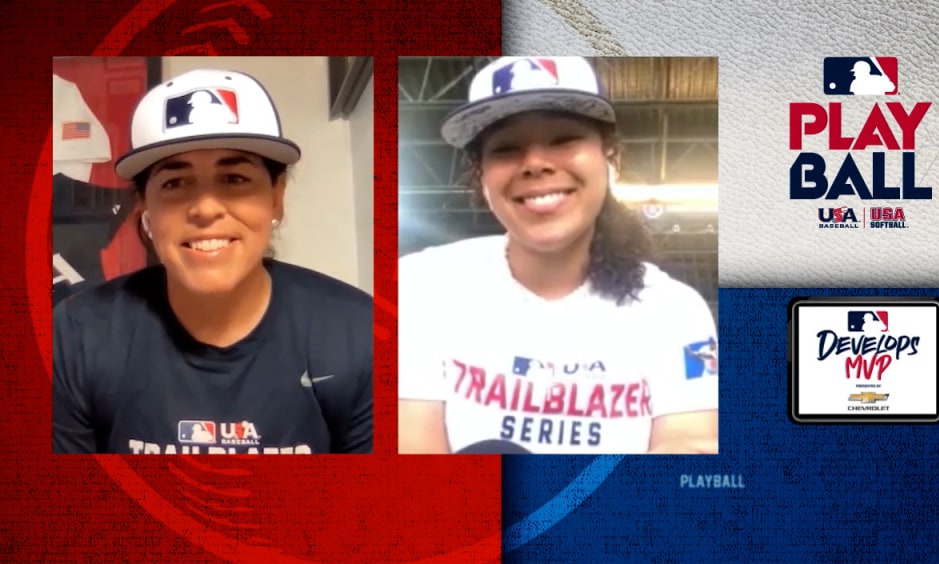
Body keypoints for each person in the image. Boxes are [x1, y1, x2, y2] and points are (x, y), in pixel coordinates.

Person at [397, 57, 719, 455]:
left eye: (564, 139)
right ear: (481, 178)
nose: (534, 163)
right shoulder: (422, 283)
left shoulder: (674, 310)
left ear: (610, 157)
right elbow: (412, 448)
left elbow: (688, 445)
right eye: (506, 149)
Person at [52, 68, 373, 455]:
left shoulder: (360, 335)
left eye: (234, 179)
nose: (205, 208)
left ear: (276, 197)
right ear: (145, 209)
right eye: (174, 183)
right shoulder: (76, 336)